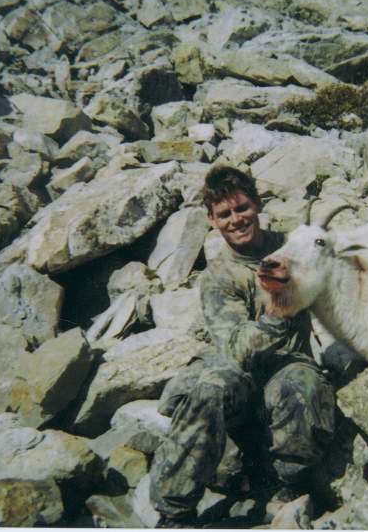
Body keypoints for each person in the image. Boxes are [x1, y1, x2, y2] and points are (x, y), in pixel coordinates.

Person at [149, 166, 335, 526]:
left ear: (257, 205)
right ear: (212, 220)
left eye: (242, 208)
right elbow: (235, 350)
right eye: (225, 214)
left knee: (303, 383)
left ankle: (285, 486)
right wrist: (279, 309)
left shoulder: (292, 247)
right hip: (240, 375)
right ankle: (174, 512)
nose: (236, 220)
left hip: (289, 363)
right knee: (210, 386)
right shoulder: (218, 276)